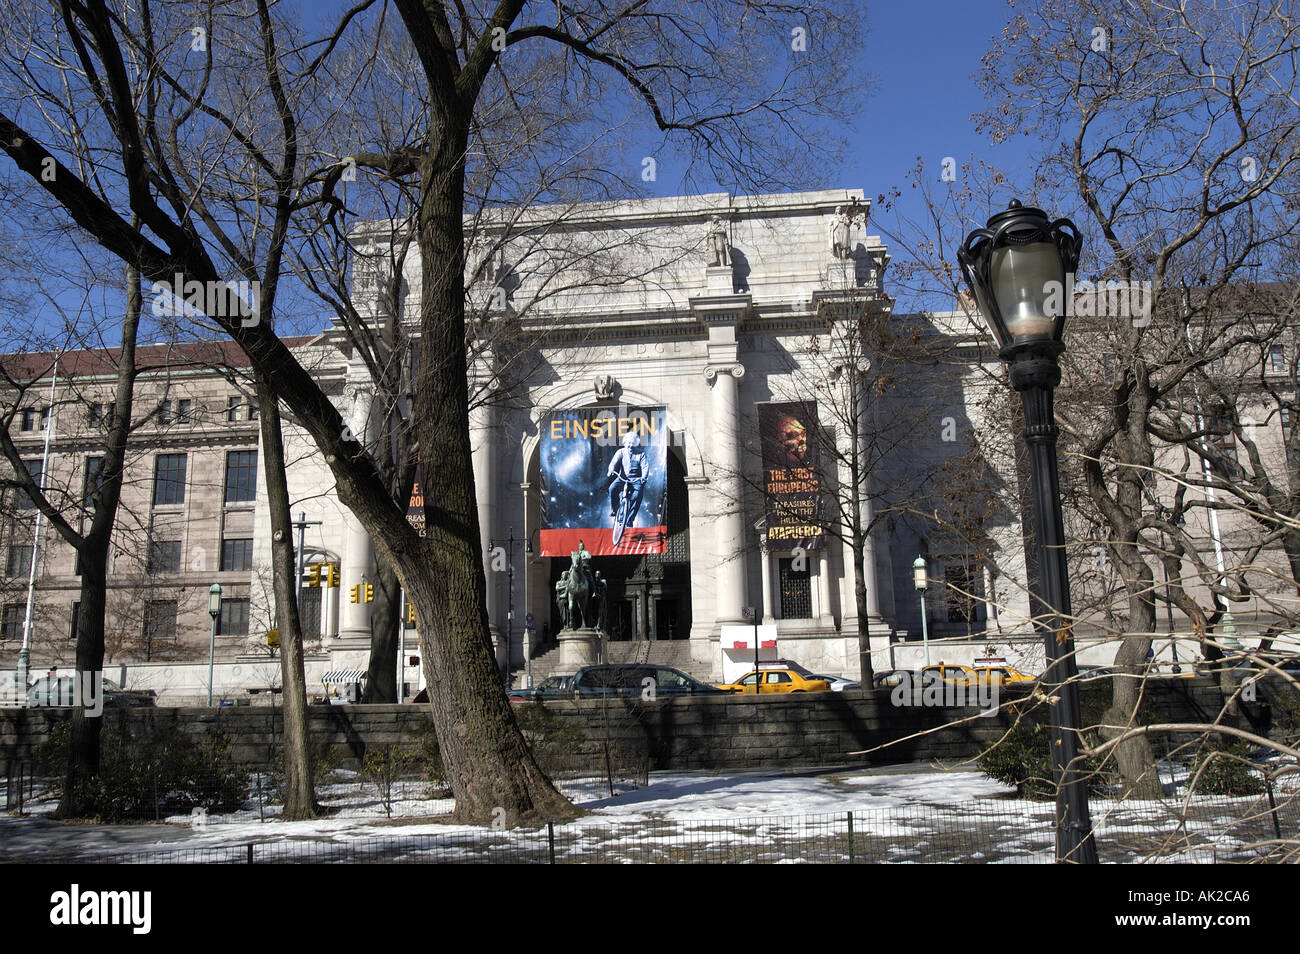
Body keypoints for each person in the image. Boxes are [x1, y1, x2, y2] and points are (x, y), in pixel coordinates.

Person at [607, 432, 648, 520]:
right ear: (625, 443)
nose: (630, 445)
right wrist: (611, 470)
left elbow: (645, 467)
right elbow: (614, 462)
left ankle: (630, 519)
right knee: (612, 489)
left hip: (636, 479)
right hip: (622, 477)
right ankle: (615, 509)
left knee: (637, 496)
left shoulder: (641, 454)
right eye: (628, 443)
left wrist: (644, 477)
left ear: (636, 444)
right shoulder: (621, 452)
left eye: (633, 443)